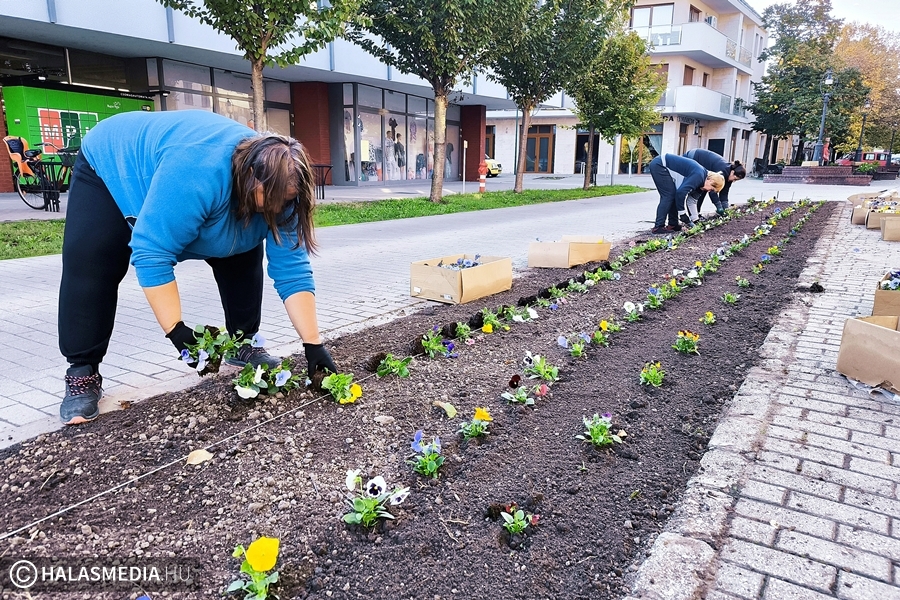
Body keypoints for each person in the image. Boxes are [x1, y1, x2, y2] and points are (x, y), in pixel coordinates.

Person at [58, 110, 338, 425]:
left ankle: (243, 342)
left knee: (242, 247)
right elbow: (153, 254)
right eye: (269, 200)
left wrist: (314, 345)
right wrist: (177, 331)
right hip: (112, 164)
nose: (277, 209)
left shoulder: (285, 196)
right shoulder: (196, 172)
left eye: (284, 202)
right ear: (248, 176)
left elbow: (293, 271)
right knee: (95, 260)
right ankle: (82, 370)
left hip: (209, 187)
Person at [648, 153, 725, 235]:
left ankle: (673, 225)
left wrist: (695, 221)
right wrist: (682, 214)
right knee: (668, 196)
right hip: (660, 165)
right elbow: (681, 193)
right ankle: (658, 227)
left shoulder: (702, 184)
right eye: (712, 189)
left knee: (672, 195)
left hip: (662, 166)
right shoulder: (699, 176)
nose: (709, 191)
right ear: (711, 181)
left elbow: (692, 201)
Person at [683, 148, 746, 217]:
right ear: (732, 172)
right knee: (701, 189)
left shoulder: (729, 177)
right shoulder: (722, 172)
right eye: (735, 179)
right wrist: (719, 207)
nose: (734, 181)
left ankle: (695, 214)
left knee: (704, 188)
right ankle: (693, 216)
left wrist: (726, 209)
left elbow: (724, 194)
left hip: (703, 164)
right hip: (695, 157)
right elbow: (713, 191)